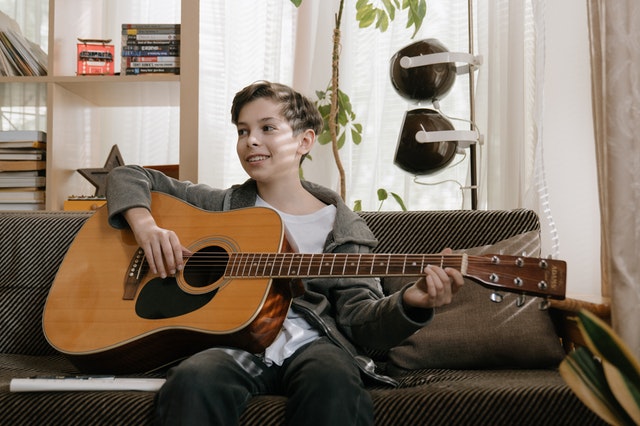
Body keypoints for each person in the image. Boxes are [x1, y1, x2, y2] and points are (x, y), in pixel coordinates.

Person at [106, 80, 464, 425]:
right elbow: (126, 175)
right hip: (232, 342)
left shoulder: (343, 228)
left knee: (333, 381)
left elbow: (360, 323)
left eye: (267, 128)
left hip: (314, 345)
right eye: (243, 131)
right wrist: (146, 226)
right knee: (194, 378)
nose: (251, 141)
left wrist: (411, 303)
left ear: (304, 141)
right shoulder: (223, 205)